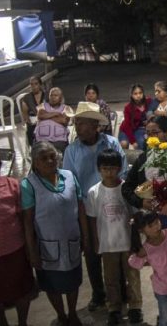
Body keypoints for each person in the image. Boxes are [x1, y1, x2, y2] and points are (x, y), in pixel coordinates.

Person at [63, 101, 128, 312]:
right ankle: (98, 293)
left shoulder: (111, 144)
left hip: (113, 201)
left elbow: (124, 171)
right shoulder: (71, 151)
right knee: (91, 250)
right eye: (77, 124)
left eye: (82, 123)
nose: (78, 128)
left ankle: (120, 292)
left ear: (94, 125)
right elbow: (70, 181)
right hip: (86, 207)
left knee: (117, 248)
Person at [21, 142, 88, 326]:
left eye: (53, 156)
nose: (50, 161)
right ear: (35, 162)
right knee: (52, 285)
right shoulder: (29, 185)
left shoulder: (68, 176)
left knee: (73, 281)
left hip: (71, 240)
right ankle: (61, 315)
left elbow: (80, 208)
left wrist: (85, 236)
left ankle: (72, 313)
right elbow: (27, 222)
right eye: (44, 158)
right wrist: (32, 251)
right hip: (47, 246)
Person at [85, 149, 143, 326]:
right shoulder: (94, 192)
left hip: (127, 242)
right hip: (107, 244)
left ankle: (135, 307)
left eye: (112, 168)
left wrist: (138, 242)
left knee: (132, 276)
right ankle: (114, 309)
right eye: (105, 168)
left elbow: (136, 215)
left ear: (119, 168)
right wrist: (96, 242)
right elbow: (93, 220)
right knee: (111, 279)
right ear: (99, 169)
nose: (109, 172)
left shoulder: (126, 189)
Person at [121, 116, 167, 238]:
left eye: (155, 132)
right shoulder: (143, 158)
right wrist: (141, 202)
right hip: (150, 219)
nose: (151, 137)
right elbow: (126, 187)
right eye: (148, 133)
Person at [0, 148, 34, 326]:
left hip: (15, 249)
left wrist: (30, 248)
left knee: (22, 291)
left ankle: (22, 322)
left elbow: (24, 220)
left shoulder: (13, 185)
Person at [34, 87, 73, 152]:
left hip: (59, 140)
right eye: (51, 95)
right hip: (42, 139)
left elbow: (64, 120)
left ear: (61, 97)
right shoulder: (42, 106)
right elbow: (40, 115)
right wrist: (57, 114)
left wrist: (47, 115)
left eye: (55, 95)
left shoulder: (67, 108)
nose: (53, 97)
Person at [118, 84, 151, 150]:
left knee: (142, 144)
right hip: (126, 129)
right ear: (131, 95)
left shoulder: (149, 101)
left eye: (140, 93)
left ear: (143, 93)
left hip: (139, 129)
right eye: (135, 94)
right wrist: (133, 142)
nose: (138, 95)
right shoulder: (128, 107)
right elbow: (127, 126)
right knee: (124, 144)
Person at [20, 74, 46, 146]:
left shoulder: (46, 95)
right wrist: (29, 122)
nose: (33, 87)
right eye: (31, 84)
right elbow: (25, 114)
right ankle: (35, 148)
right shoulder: (27, 98)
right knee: (31, 131)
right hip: (33, 121)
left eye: (36, 84)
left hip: (45, 119)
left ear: (40, 85)